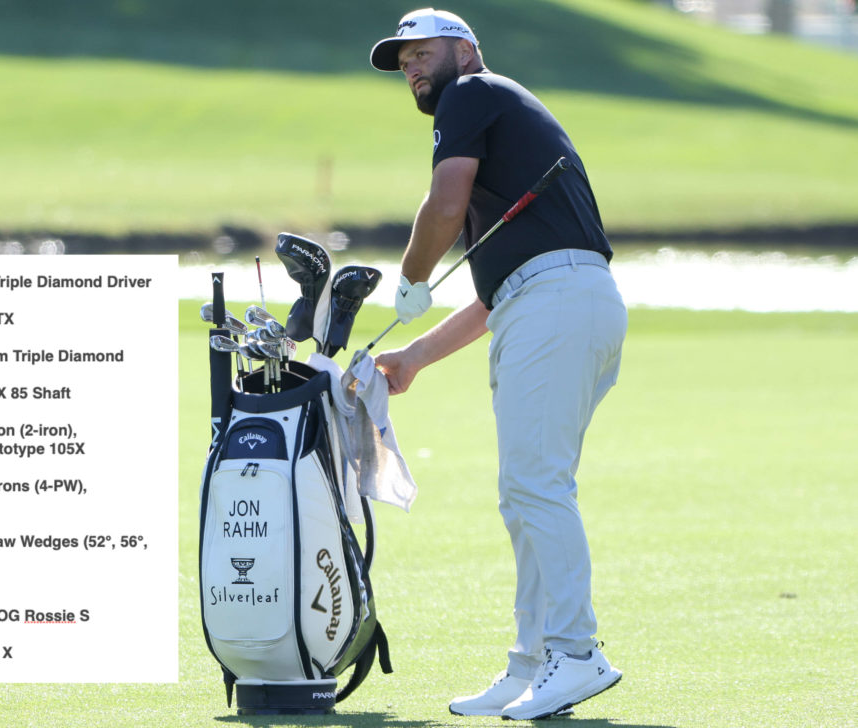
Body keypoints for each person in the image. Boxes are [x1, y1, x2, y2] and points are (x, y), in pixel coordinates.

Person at [368, 8, 628, 721]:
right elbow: (491, 297)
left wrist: (411, 277)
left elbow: (442, 205)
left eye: (423, 53)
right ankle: (532, 665)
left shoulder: (472, 94)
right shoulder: (497, 132)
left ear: (464, 48)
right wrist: (417, 353)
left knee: (535, 485)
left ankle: (577, 654)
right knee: (525, 493)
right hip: (551, 301)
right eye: (404, 62)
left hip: (560, 300)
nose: (413, 69)